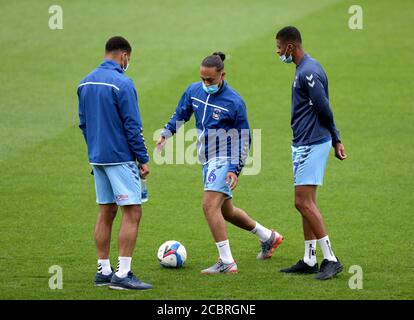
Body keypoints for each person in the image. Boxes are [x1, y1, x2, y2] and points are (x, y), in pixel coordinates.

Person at [156, 52, 283, 274]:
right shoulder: (193, 91)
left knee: (208, 206)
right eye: (203, 79)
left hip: (224, 158)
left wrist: (235, 169)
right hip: (207, 159)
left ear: (222, 75)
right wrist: (167, 133)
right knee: (227, 211)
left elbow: (244, 138)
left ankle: (227, 262)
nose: (206, 84)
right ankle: (269, 237)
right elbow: (181, 113)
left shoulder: (234, 102)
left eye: (211, 80)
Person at [77, 36, 152, 290]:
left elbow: (83, 123)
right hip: (120, 158)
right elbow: (133, 126)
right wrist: (142, 159)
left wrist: (95, 150)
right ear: (124, 56)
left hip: (97, 157)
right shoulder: (123, 83)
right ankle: (123, 274)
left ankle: (103, 270)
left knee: (106, 211)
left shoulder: (84, 82)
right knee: (132, 212)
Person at [275, 26, 347, 280]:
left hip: (313, 143)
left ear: (290, 47)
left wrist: (335, 138)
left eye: (279, 48)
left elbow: (324, 107)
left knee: (302, 201)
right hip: (304, 142)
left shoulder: (308, 72)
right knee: (306, 203)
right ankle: (309, 259)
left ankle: (330, 258)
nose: (278, 52)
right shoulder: (303, 68)